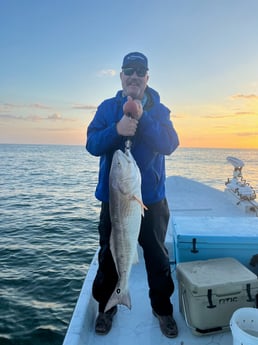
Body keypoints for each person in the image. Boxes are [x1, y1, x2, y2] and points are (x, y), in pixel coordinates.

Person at [86, 52, 179, 338]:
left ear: (147, 77)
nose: (134, 76)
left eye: (140, 71)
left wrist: (143, 117)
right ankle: (107, 307)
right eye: (129, 70)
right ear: (122, 76)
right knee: (110, 255)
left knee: (157, 259)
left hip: (151, 201)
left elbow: (169, 144)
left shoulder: (159, 110)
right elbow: (91, 144)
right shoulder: (106, 108)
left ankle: (162, 310)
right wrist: (117, 129)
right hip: (115, 200)